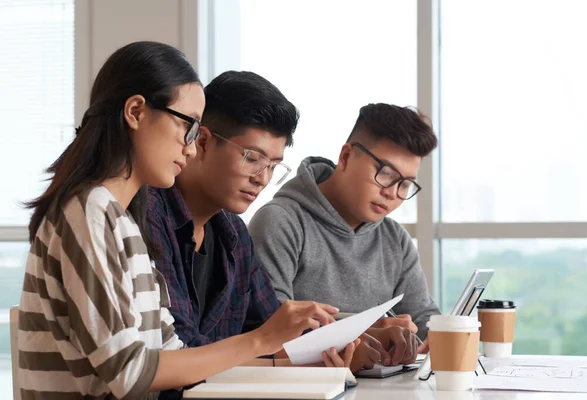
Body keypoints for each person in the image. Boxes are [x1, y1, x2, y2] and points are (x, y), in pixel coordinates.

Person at [18, 41, 350, 399]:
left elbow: (177, 360)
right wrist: (262, 340)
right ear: (136, 111)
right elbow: (129, 372)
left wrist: (294, 364)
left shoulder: (125, 221)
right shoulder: (90, 210)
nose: (191, 148)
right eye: (188, 127)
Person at [147, 71, 418, 377]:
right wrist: (306, 359)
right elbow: (181, 355)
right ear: (204, 141)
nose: (262, 178)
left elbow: (273, 330)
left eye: (274, 166)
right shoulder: (149, 217)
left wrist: (354, 341)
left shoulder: (232, 233)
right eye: (252, 158)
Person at [249, 103, 441, 350]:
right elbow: (269, 329)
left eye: (404, 185)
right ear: (346, 156)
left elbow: (422, 319)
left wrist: (443, 334)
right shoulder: (281, 222)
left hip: (378, 386)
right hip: (304, 386)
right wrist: (366, 334)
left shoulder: (395, 239)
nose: (392, 193)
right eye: (385, 173)